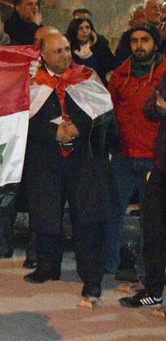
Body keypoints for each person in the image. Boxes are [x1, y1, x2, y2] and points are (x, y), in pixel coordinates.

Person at [24, 33, 115, 303]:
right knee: (45, 214)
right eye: (58, 51)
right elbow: (23, 119)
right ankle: (46, 267)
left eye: (67, 49)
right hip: (46, 161)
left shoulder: (87, 75)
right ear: (43, 56)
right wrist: (54, 132)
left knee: (88, 220)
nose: (66, 55)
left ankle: (92, 279)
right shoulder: (32, 82)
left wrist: (77, 126)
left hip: (84, 161)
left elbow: (104, 113)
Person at [106, 24, 166, 281]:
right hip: (123, 154)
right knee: (112, 212)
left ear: (155, 42)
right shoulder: (120, 74)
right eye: (134, 41)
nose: (139, 45)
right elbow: (109, 111)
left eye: (144, 40)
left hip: (154, 155)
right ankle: (110, 265)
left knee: (151, 220)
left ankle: (146, 272)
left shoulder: (164, 72)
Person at [119, 67, 166, 307]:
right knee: (155, 231)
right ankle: (154, 289)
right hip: (161, 164)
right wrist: (159, 107)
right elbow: (150, 107)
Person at [65, 17, 117, 84]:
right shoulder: (69, 49)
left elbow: (111, 66)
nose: (85, 31)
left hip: (100, 85)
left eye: (87, 28)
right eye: (80, 28)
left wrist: (95, 45)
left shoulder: (100, 46)